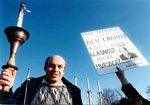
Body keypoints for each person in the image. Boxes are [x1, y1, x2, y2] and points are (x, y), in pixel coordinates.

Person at [0, 55, 83, 105]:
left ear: (64, 71)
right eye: (52, 65)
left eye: (60, 66)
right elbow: (12, 102)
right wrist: (6, 90)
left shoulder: (74, 91)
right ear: (45, 68)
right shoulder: (29, 85)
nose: (55, 69)